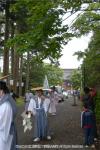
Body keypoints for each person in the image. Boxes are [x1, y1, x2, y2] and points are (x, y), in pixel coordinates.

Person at [0, 81, 17, 150]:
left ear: (1, 91)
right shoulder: (3, 101)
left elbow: (2, 122)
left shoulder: (6, 105)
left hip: (5, 133)